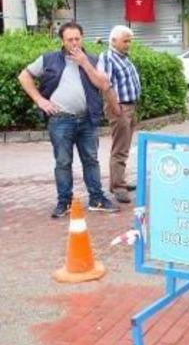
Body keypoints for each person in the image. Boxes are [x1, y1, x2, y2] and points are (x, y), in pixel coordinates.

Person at [17, 21, 119, 217]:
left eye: (77, 39)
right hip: (60, 120)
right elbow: (24, 76)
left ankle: (96, 199)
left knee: (91, 160)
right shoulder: (49, 59)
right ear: (62, 41)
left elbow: (103, 84)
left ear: (82, 38)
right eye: (69, 40)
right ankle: (64, 202)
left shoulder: (93, 59)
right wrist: (40, 100)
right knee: (63, 162)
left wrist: (85, 63)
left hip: (86, 119)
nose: (74, 43)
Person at [99, 25, 142, 203]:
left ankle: (119, 181)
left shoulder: (122, 57)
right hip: (120, 108)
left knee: (124, 147)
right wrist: (116, 108)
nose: (128, 44)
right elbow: (104, 85)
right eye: (125, 41)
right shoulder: (108, 57)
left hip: (129, 107)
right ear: (114, 40)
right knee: (120, 149)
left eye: (129, 41)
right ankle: (118, 187)